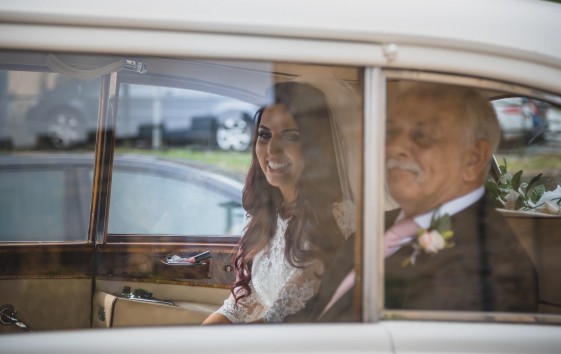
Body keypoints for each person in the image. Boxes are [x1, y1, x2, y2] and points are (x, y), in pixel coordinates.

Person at [286, 81, 538, 323]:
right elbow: (318, 312)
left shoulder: (493, 267)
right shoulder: (373, 229)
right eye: (392, 132)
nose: (395, 147)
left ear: (473, 158)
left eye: (422, 135)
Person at [202, 80, 357, 324]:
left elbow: (280, 317)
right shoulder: (264, 217)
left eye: (291, 136)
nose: (272, 149)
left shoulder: (340, 218)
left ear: (315, 146)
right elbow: (242, 303)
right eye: (264, 135)